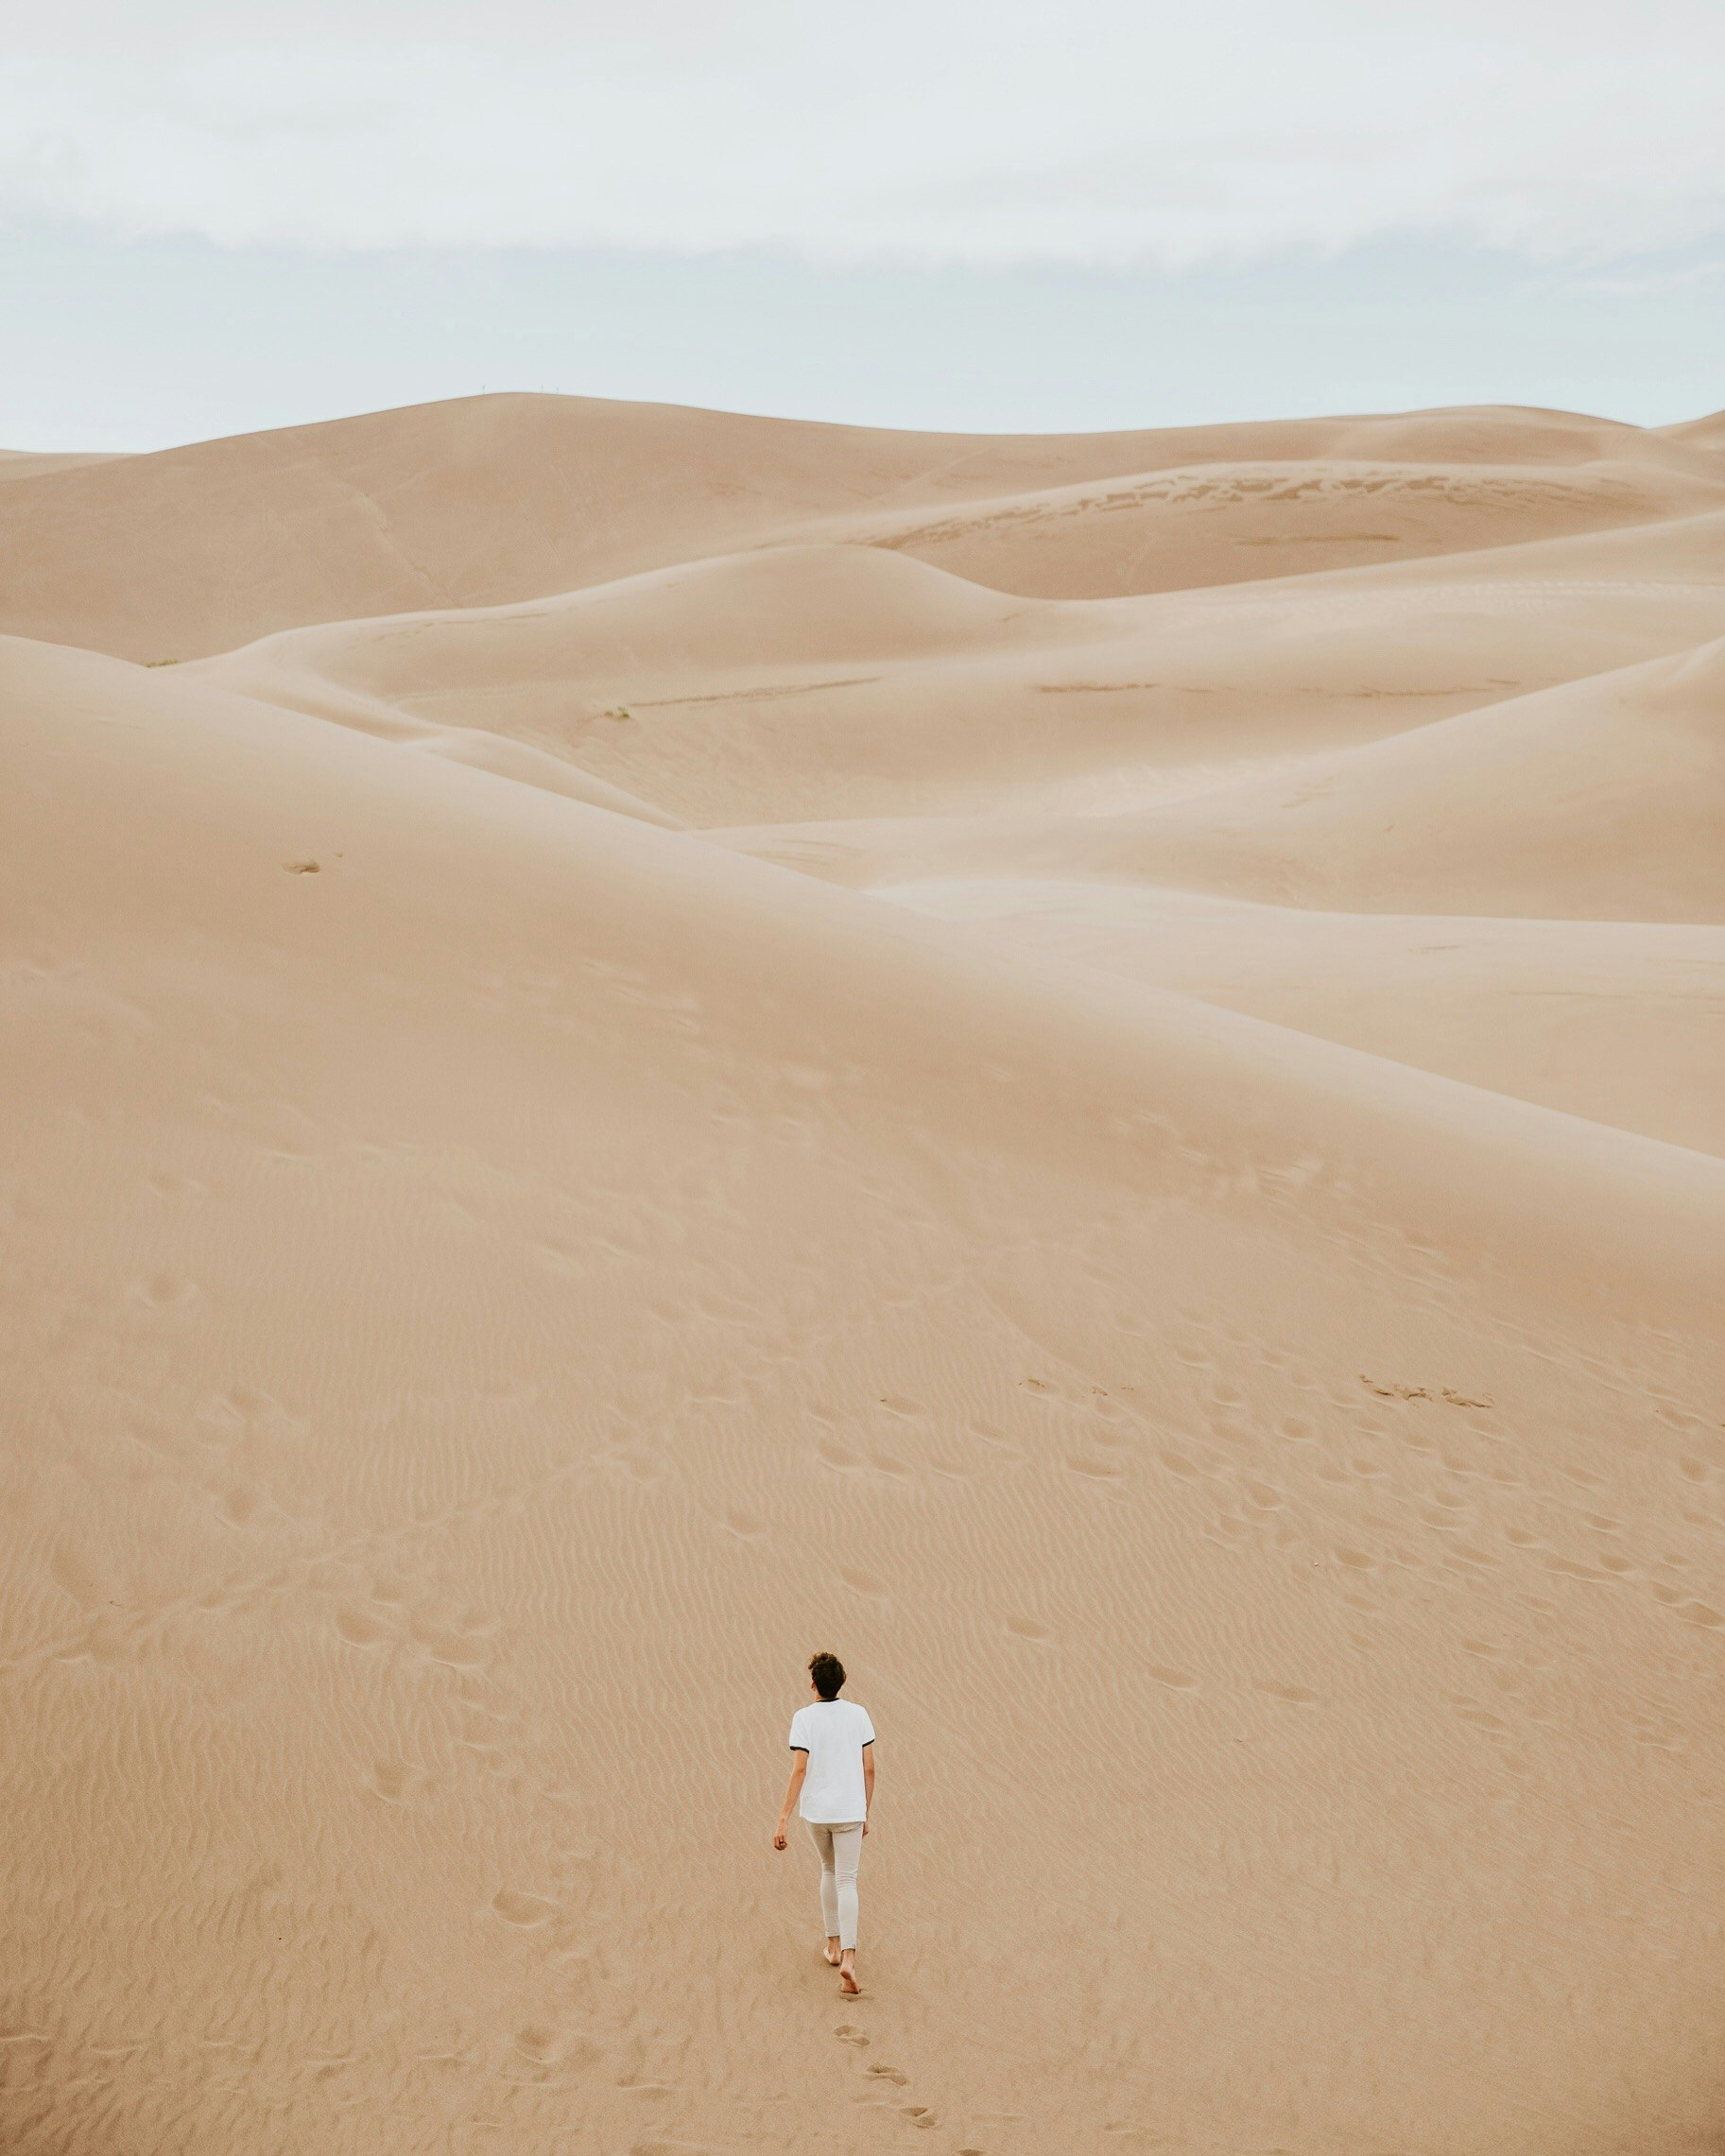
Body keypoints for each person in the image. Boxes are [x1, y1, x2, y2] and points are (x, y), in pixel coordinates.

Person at [773, 1650, 875, 1994]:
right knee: (847, 1879)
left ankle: (832, 1946)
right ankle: (848, 1956)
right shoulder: (859, 1714)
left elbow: (799, 1769)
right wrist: (866, 1811)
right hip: (850, 1809)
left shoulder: (803, 1718)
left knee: (828, 1870)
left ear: (814, 1685)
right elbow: (869, 1767)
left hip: (817, 1812)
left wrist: (783, 1818)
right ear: (840, 1682)